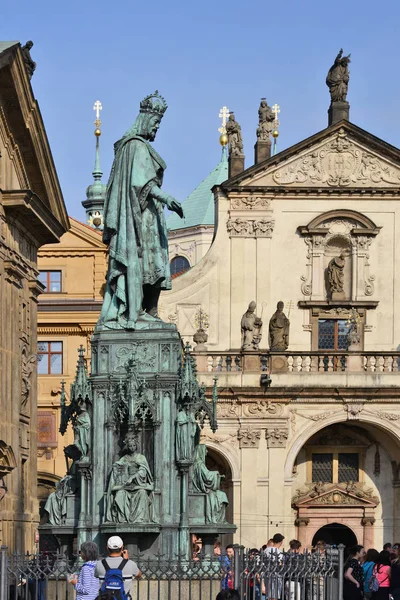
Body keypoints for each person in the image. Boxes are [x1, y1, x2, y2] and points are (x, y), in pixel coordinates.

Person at [98, 91, 184, 329]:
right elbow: (142, 183)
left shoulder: (133, 146)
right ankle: (138, 312)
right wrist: (168, 198)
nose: (156, 129)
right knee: (147, 261)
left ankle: (147, 311)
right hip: (140, 218)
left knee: (152, 263)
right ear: (146, 120)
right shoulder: (135, 146)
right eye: (156, 123)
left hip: (145, 215)